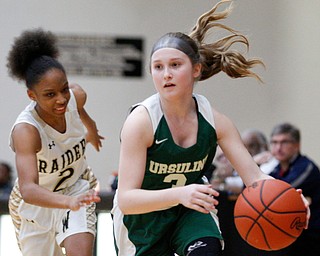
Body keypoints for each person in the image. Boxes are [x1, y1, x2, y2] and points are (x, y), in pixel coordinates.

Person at [111, 1, 308, 255]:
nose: (166, 74)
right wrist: (180, 194)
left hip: (191, 212)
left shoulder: (215, 122)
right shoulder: (141, 122)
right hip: (143, 220)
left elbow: (255, 178)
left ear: (196, 69)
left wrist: (290, 196)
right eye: (158, 67)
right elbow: (127, 200)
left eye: (175, 65)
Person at [6, 28, 103, 256]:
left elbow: (81, 112)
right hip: (36, 202)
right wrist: (65, 203)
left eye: (63, 89)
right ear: (32, 96)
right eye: (50, 94)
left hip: (76, 188)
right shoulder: (26, 130)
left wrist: (93, 133)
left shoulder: (76, 95)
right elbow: (29, 189)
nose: (61, 99)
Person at [269, 122, 320, 256]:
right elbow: (252, 187)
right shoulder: (276, 169)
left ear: (297, 145)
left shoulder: (306, 167)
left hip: (311, 236)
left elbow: (280, 191)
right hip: (290, 233)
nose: (278, 148)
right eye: (274, 142)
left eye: (284, 142)